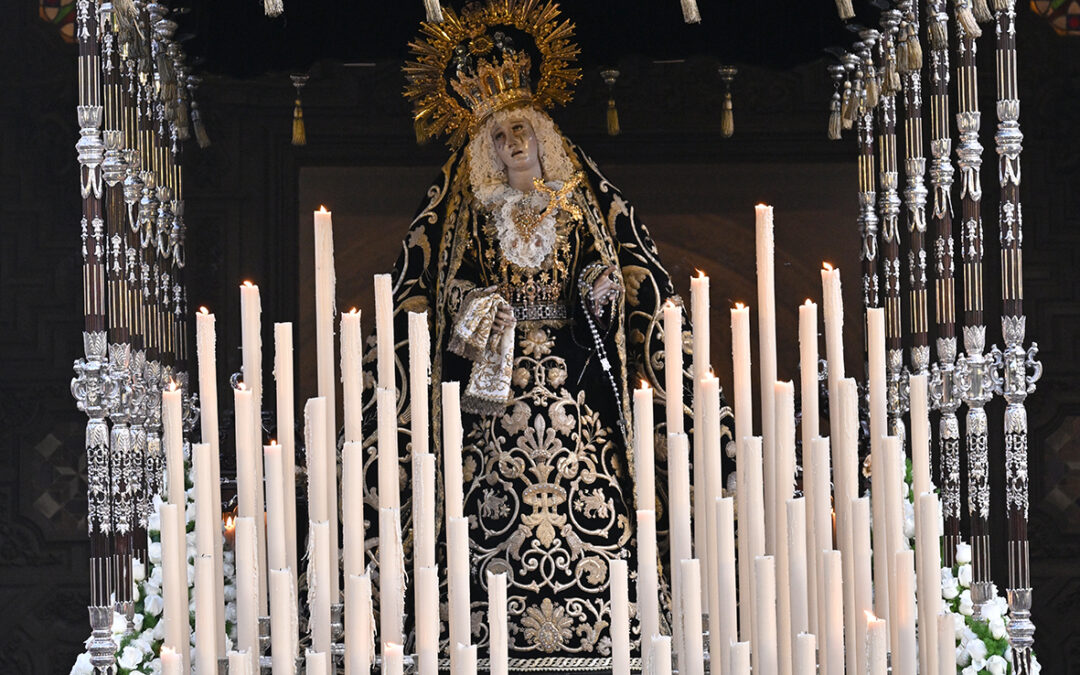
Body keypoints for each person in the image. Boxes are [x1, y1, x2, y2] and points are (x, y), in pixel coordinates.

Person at [359, 1, 733, 668]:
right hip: (494, 395)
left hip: (572, 380)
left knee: (594, 477)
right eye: (501, 137)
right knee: (482, 491)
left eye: (523, 133)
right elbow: (445, 294)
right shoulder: (473, 214)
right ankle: (484, 620)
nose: (514, 145)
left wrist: (600, 288)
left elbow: (606, 264)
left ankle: (605, 623)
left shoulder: (572, 204)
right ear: (487, 148)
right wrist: (486, 304)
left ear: (543, 137)